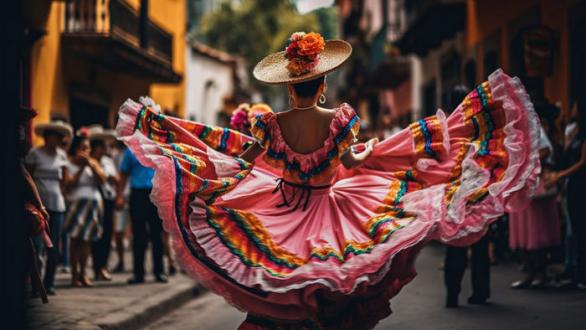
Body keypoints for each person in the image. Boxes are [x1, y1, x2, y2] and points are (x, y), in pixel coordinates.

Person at [116, 32, 540, 329]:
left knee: (281, 278)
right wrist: (381, 152)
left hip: (279, 208)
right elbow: (353, 164)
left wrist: (210, 171)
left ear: (289, 87)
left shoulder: (269, 123)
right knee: (331, 282)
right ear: (322, 86)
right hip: (331, 209)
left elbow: (243, 160)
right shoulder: (340, 120)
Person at [442, 85, 491, 307]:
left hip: (454, 192)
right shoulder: (478, 124)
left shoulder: (445, 127)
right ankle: (480, 291)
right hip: (478, 189)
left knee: (455, 243)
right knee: (479, 242)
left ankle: (452, 292)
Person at [508, 112, 561, 289]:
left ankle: (540, 273)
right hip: (519, 186)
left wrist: (525, 161)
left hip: (533, 186)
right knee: (522, 231)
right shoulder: (511, 131)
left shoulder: (532, 126)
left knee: (536, 229)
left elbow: (546, 150)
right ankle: (530, 273)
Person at [25, 120, 73, 295]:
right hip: (38, 205)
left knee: (54, 245)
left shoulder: (62, 156)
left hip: (57, 205)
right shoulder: (35, 154)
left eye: (59, 137)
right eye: (54, 136)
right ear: (47, 137)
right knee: (37, 246)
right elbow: (28, 177)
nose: (56, 140)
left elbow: (65, 182)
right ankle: (36, 284)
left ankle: (49, 282)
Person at [115, 144, 167, 284]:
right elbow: (123, 173)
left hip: (156, 194)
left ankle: (159, 271)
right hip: (138, 194)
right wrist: (119, 195)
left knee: (157, 234)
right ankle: (139, 274)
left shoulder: (159, 148)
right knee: (139, 235)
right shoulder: (131, 150)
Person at [549, 99, 586, 288]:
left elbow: (582, 163)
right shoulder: (575, 132)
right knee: (574, 230)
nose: (571, 109)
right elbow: (565, 155)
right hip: (572, 185)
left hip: (581, 185)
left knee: (579, 228)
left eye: (573, 106)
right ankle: (574, 269)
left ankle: (581, 273)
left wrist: (560, 175)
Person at [64, 131, 106, 287]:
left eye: (87, 148)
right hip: (76, 204)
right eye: (82, 148)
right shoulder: (69, 164)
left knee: (87, 240)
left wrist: (90, 165)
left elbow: (102, 180)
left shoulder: (94, 163)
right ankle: (74, 275)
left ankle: (84, 273)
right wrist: (81, 168)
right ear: (75, 149)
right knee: (75, 240)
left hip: (93, 205)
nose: (86, 151)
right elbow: (69, 185)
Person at [88, 125, 118, 281]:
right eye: (102, 146)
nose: (105, 148)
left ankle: (103, 266)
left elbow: (116, 178)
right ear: (96, 147)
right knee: (95, 235)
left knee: (107, 233)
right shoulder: (89, 161)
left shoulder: (107, 161)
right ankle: (96, 266)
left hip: (108, 199)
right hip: (94, 198)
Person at [111, 140, 130, 273]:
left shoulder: (135, 151)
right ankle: (121, 260)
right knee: (119, 230)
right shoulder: (116, 155)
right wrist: (119, 195)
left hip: (136, 194)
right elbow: (118, 177)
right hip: (122, 195)